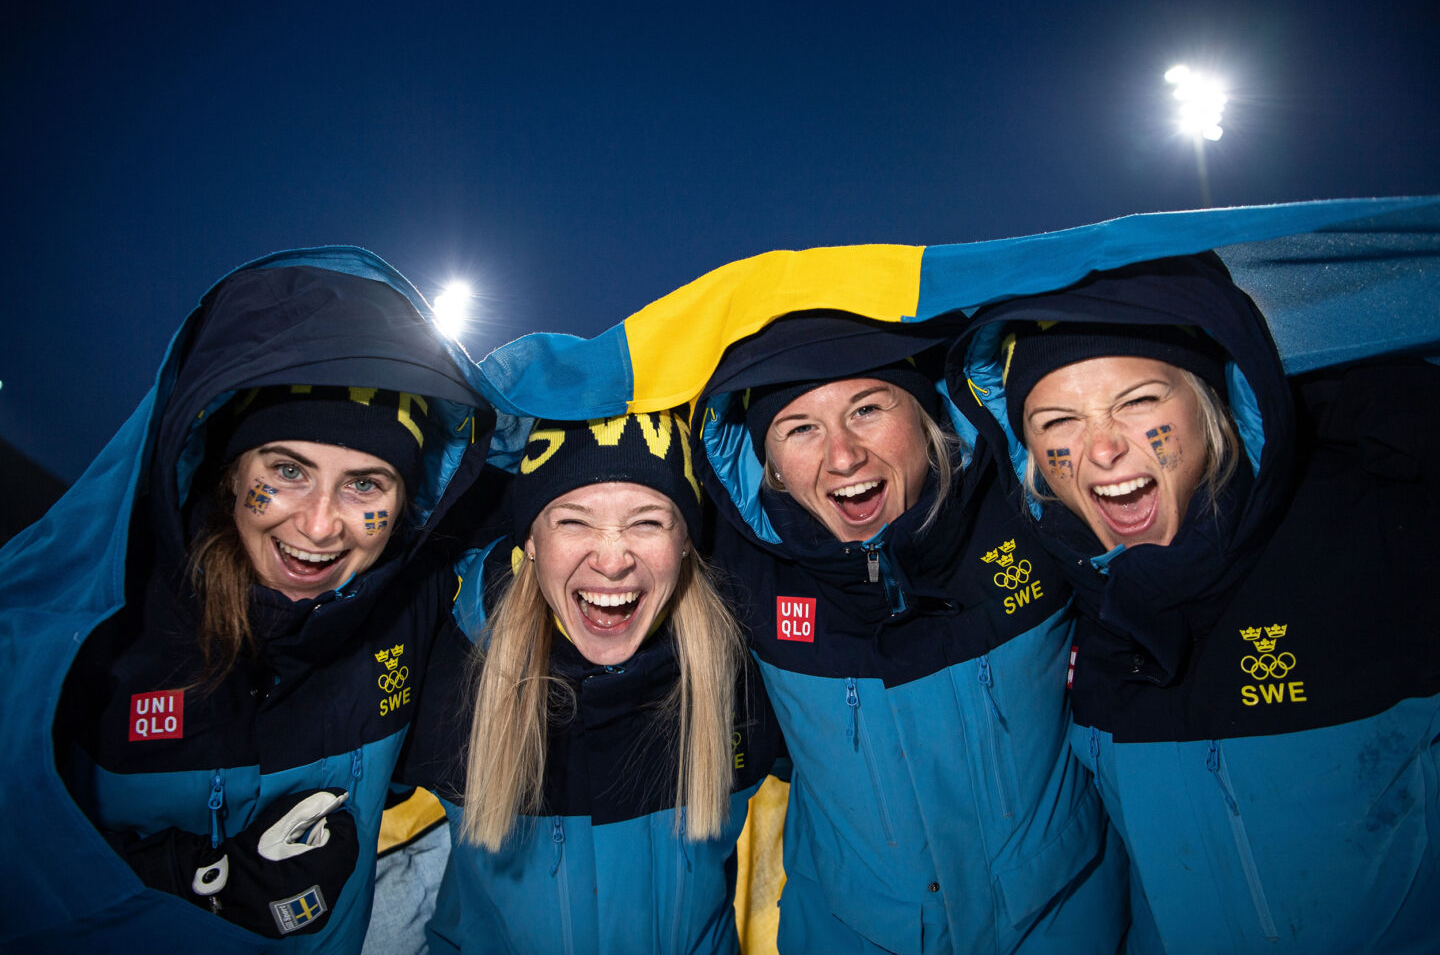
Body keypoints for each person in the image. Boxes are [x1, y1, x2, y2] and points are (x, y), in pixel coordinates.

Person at [1, 252, 495, 953]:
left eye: (365, 484)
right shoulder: (98, 632)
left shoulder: (411, 611)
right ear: (232, 473)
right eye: (288, 471)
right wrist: (191, 883)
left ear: (406, 503)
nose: (319, 525)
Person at [954, 252, 1440, 953]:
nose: (1102, 449)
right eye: (1058, 421)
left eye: (1139, 401)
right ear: (1028, 455)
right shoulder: (1070, 606)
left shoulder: (1373, 530)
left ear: (1213, 403)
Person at [692, 312, 1126, 955]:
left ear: (927, 418)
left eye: (867, 409)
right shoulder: (740, 572)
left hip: (1063, 921)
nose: (843, 456)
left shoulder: (1028, 507)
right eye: (801, 428)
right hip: (851, 933)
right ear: (769, 463)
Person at [402, 409, 779, 954]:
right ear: (530, 539)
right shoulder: (450, 655)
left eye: (647, 522)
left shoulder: (747, 662)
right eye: (573, 522)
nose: (612, 560)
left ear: (686, 541)